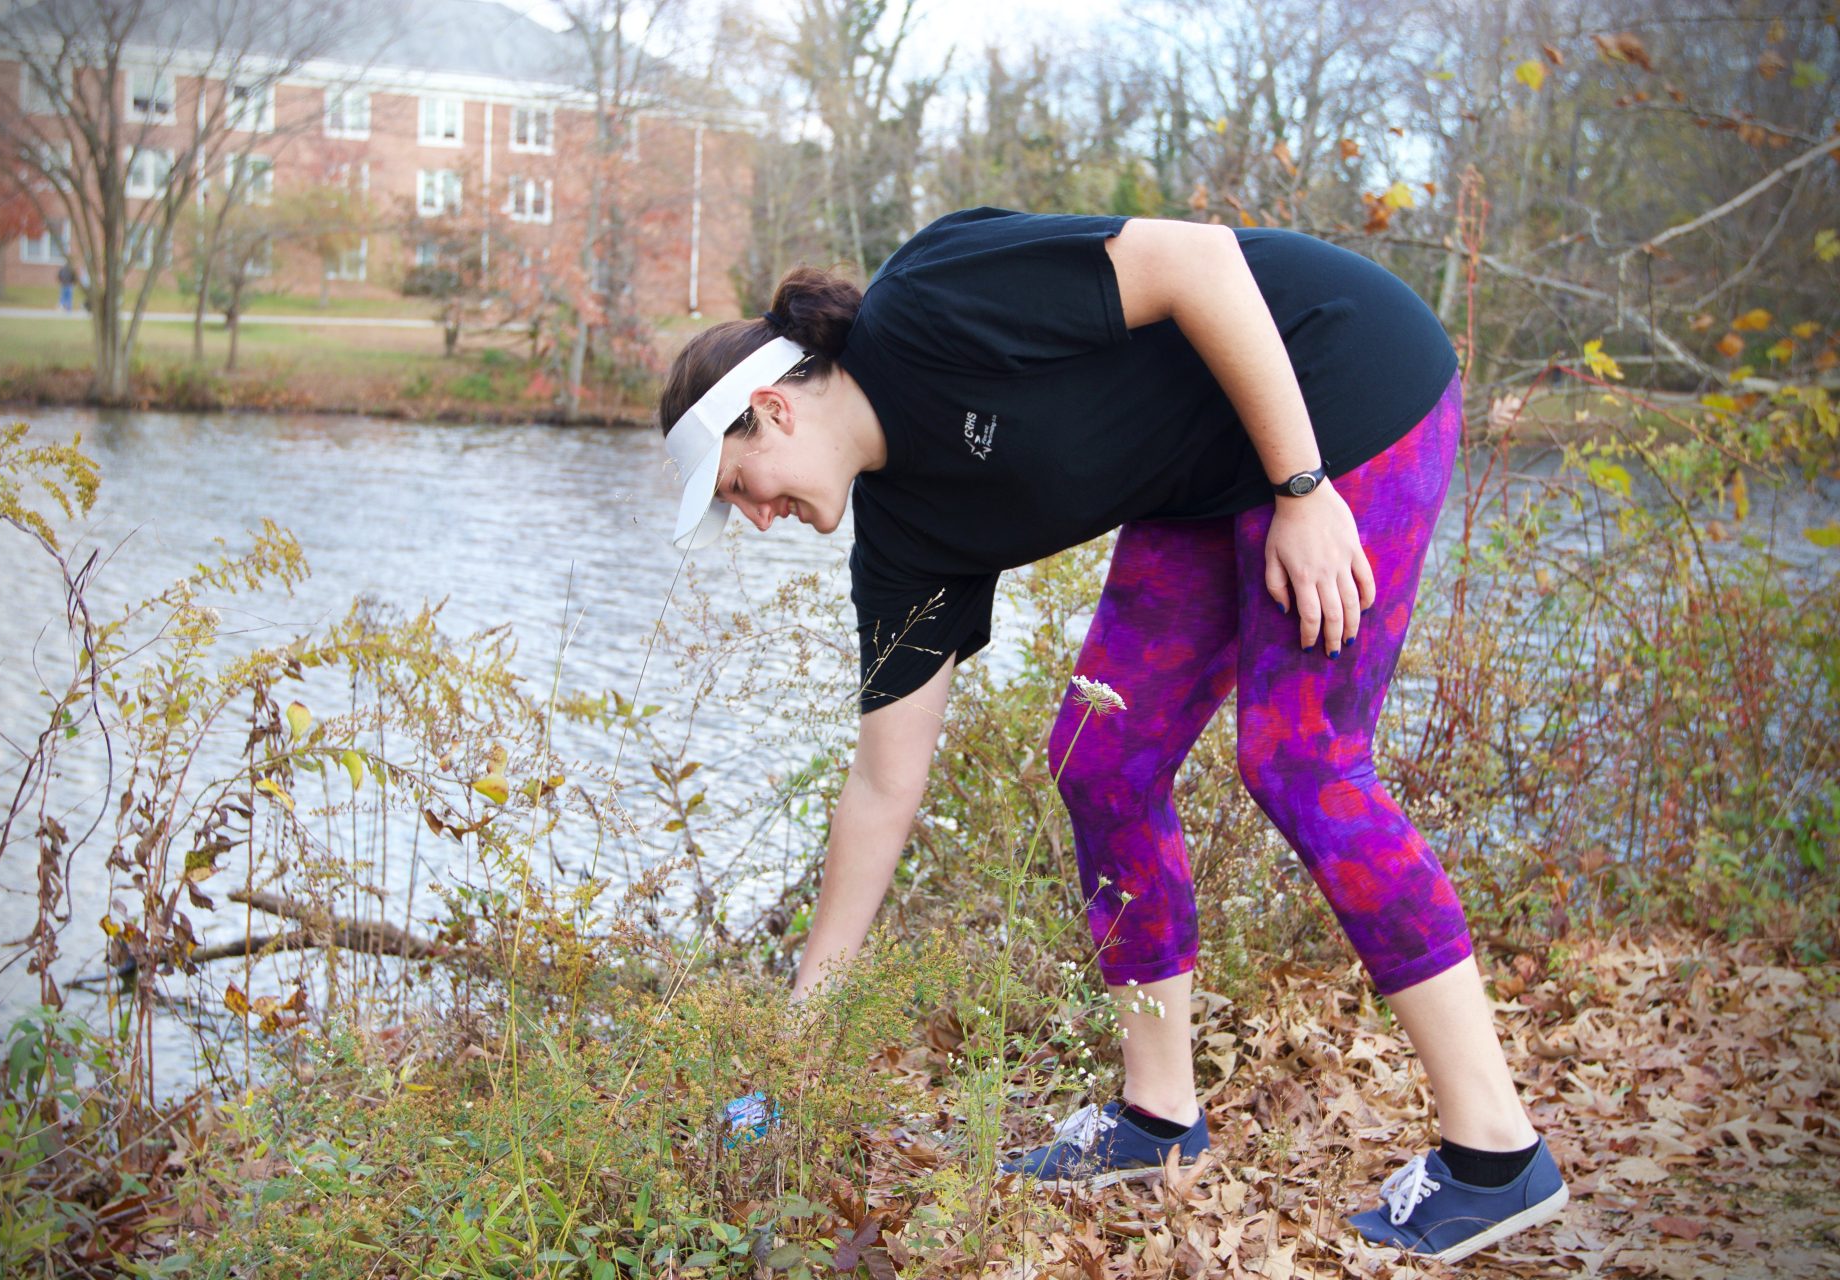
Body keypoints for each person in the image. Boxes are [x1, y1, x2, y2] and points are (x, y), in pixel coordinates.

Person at [657, 208, 1567, 1263]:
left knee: (1300, 756)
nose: (757, 518)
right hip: (1203, 476)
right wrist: (801, 1042)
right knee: (1103, 758)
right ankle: (1158, 1113)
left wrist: (1304, 490)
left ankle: (1498, 1152)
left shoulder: (931, 304)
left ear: (770, 410)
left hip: (1341, 381)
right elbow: (881, 786)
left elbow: (1199, 260)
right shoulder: (904, 541)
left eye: (739, 487)